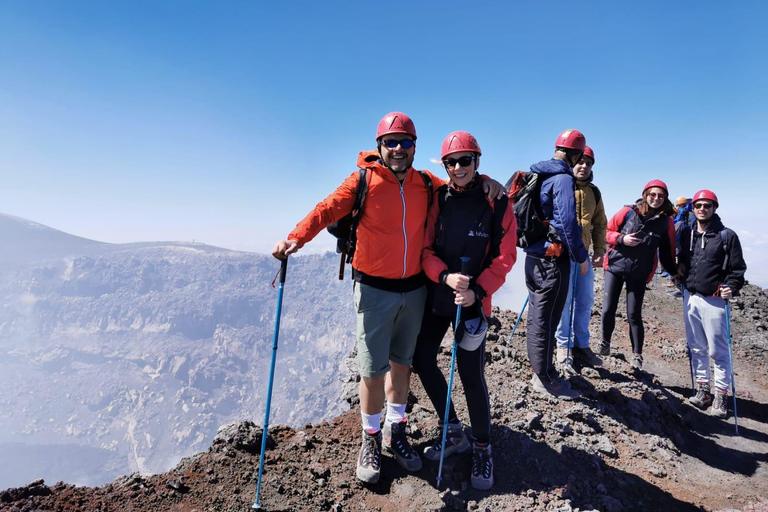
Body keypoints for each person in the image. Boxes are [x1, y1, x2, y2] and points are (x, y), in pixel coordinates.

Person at [271, 112, 503, 485]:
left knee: (402, 365)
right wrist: (295, 238)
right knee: (372, 370)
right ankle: (371, 439)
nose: (398, 148)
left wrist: (487, 181)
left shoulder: (425, 183)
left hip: (414, 289)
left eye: (405, 142)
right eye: (390, 142)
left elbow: (461, 181)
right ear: (379, 146)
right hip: (373, 289)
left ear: (415, 147)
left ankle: (397, 431)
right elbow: (326, 209)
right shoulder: (363, 180)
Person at [412, 131, 517, 490]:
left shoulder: (497, 203)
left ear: (477, 161)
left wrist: (477, 291)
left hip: (473, 304)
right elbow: (426, 249)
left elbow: (505, 257)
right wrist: (444, 276)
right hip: (439, 296)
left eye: (465, 160)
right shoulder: (439, 198)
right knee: (422, 359)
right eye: (451, 162)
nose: (458, 168)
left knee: (471, 375)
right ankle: (454, 431)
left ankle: (483, 447)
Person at [523, 130, 589, 400]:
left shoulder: (538, 174)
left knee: (538, 317)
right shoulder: (563, 178)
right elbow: (566, 223)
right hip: (553, 261)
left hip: (534, 256)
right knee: (547, 319)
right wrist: (580, 256)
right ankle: (545, 377)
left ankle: (539, 370)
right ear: (577, 155)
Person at [678, 190, 746, 418]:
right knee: (696, 347)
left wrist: (732, 287)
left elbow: (738, 269)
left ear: (714, 208)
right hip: (690, 296)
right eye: (698, 205)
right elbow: (683, 260)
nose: (702, 209)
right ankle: (704, 390)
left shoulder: (727, 236)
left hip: (715, 299)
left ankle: (721, 395)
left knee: (718, 351)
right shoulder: (687, 233)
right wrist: (680, 272)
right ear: (693, 208)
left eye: (707, 205)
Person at [599, 180, 678, 370]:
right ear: (645, 195)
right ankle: (604, 343)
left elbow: (667, 251)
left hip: (640, 272)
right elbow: (606, 232)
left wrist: (676, 273)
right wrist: (621, 238)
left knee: (634, 314)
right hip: (615, 267)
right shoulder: (628, 212)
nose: (656, 198)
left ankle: (637, 355)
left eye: (661, 196)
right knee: (608, 309)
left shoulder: (666, 222)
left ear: (665, 198)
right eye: (652, 194)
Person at [554, 145, 607, 369]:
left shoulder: (594, 192)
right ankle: (563, 345)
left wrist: (599, 251)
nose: (584, 166)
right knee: (564, 302)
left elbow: (600, 224)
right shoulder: (561, 184)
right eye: (581, 161)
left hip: (584, 255)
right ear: (572, 161)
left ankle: (582, 345)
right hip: (562, 255)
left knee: (585, 301)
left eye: (588, 163)